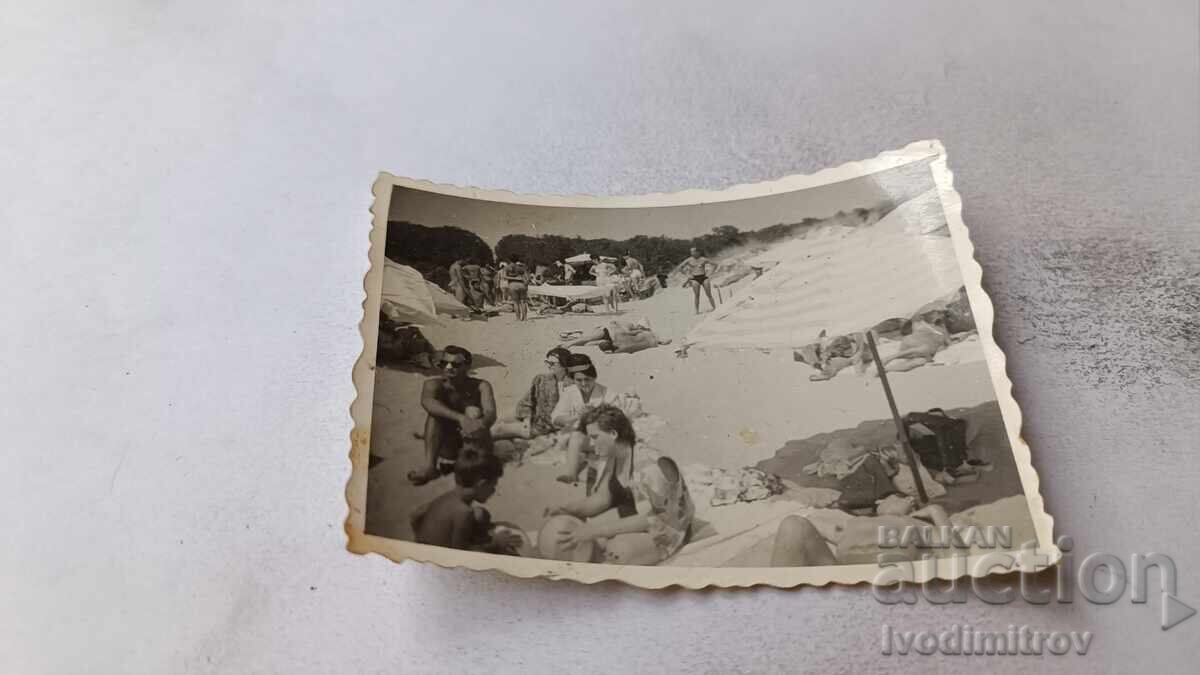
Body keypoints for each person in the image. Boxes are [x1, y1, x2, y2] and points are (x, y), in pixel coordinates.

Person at [541, 405, 694, 565]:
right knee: (576, 535)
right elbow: (601, 499)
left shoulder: (650, 465)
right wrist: (567, 508)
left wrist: (595, 531)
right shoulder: (614, 457)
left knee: (617, 551)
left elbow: (653, 518)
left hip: (669, 528)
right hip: (636, 518)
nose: (591, 444)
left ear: (613, 434)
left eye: (595, 437)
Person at [768, 494, 950, 566]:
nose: (910, 499)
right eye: (899, 497)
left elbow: (952, 545)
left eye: (911, 501)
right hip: (844, 578)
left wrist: (935, 510)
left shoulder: (912, 522)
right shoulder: (854, 523)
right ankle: (778, 605)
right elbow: (810, 523)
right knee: (793, 524)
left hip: (888, 579)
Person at [407, 346, 497, 485]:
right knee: (435, 415)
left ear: (467, 366)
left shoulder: (481, 386)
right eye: (444, 363)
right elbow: (427, 402)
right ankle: (430, 467)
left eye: (455, 364)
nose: (448, 368)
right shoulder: (433, 385)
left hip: (475, 442)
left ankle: (470, 466)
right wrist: (461, 419)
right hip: (446, 446)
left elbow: (491, 413)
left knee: (473, 412)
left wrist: (477, 425)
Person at [410, 445, 523, 552]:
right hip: (436, 559)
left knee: (481, 514)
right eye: (492, 487)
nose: (493, 491)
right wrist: (496, 543)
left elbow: (416, 515)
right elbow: (463, 554)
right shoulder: (464, 512)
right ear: (482, 484)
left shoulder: (449, 497)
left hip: (425, 544)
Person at [552, 354, 621, 483]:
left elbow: (617, 419)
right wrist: (576, 417)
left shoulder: (608, 393)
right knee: (576, 436)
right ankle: (572, 474)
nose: (584, 384)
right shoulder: (570, 392)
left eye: (587, 379)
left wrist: (596, 415)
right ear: (574, 379)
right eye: (579, 380)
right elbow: (556, 417)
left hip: (602, 438)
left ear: (594, 377)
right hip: (578, 440)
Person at [491, 347, 574, 440]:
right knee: (497, 420)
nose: (549, 366)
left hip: (543, 426)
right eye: (547, 362)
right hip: (531, 415)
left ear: (565, 365)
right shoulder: (541, 379)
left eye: (552, 363)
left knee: (498, 429)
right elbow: (527, 401)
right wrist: (527, 418)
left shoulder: (572, 386)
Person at [560, 318, 671, 354]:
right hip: (607, 331)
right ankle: (569, 343)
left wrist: (663, 341)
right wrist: (637, 331)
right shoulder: (630, 325)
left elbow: (662, 341)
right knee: (588, 338)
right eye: (641, 326)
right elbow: (624, 330)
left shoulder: (641, 332)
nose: (641, 328)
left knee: (588, 343)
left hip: (611, 338)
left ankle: (573, 337)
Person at [680, 247, 716, 314]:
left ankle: (714, 308)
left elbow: (715, 264)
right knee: (697, 295)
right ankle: (697, 311)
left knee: (709, 294)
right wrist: (687, 275)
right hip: (695, 279)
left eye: (693, 251)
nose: (692, 253)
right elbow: (680, 268)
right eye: (691, 252)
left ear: (698, 252)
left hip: (704, 277)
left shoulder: (703, 259)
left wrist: (710, 273)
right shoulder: (689, 260)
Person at [504, 255, 531, 321]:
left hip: (512, 285)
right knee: (523, 302)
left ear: (509, 260)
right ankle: (525, 318)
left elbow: (504, 277)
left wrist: (514, 278)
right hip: (522, 284)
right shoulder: (520, 267)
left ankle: (518, 318)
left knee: (516, 303)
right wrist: (526, 283)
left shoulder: (507, 267)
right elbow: (527, 277)